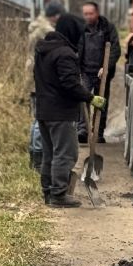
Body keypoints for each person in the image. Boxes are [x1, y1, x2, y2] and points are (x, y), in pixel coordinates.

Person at [34, 24, 105, 208]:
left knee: (50, 153)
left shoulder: (43, 51)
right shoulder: (65, 54)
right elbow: (70, 84)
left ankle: (48, 193)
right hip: (61, 113)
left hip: (44, 112)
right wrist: (90, 97)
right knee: (66, 154)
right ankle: (58, 195)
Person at [78, 0, 120, 128]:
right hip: (85, 72)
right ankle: (83, 130)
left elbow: (115, 50)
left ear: (97, 13)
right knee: (83, 99)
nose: (88, 16)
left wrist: (106, 67)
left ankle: (99, 131)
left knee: (100, 102)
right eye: (85, 14)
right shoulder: (80, 28)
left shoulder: (108, 28)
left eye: (90, 13)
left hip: (102, 73)